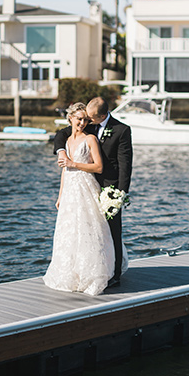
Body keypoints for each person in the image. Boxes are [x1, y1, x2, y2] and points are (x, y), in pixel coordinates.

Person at [54, 96, 132, 288]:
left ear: (101, 116)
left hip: (109, 187)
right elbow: (61, 134)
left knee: (112, 231)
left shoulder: (121, 130)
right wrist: (61, 152)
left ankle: (115, 274)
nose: (86, 121)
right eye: (84, 118)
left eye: (90, 118)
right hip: (83, 185)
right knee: (86, 229)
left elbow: (125, 164)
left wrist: (120, 193)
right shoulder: (86, 124)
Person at [43, 102, 116, 296]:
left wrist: (73, 163)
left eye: (85, 119)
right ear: (70, 119)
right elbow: (64, 171)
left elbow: (98, 167)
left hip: (86, 187)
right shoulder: (66, 142)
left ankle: (92, 273)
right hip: (70, 191)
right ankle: (72, 274)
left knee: (88, 229)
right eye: (79, 119)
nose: (82, 123)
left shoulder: (91, 139)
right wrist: (60, 196)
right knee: (69, 231)